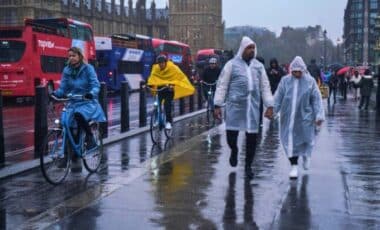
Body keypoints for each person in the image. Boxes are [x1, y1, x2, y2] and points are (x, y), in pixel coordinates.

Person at [213, 36, 274, 178]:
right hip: (235, 107)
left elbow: (265, 87)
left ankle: (248, 166)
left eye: (253, 48)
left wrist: (269, 105)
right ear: (243, 49)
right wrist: (217, 104)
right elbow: (222, 85)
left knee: (252, 138)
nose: (251, 50)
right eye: (249, 48)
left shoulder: (259, 66)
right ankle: (234, 150)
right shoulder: (231, 65)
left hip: (252, 108)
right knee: (231, 137)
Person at [52, 47, 107, 172]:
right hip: (73, 101)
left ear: (80, 56)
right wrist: (54, 93)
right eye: (69, 56)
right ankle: (67, 156)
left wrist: (91, 93)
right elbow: (63, 88)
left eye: (73, 55)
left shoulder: (88, 69)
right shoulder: (67, 70)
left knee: (78, 114)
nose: (71, 58)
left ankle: (90, 139)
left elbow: (95, 84)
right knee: (65, 123)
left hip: (87, 101)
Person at [273, 56, 325, 179]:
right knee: (289, 141)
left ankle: (307, 156)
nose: (296, 74)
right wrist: (273, 110)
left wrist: (319, 115)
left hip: (305, 117)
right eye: (294, 71)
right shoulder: (285, 81)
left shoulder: (310, 81)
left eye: (299, 71)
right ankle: (294, 166)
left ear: (303, 70)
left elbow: (316, 99)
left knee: (306, 139)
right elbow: (278, 97)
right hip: (288, 117)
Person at [147, 54, 195, 129]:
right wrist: (149, 85)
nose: (161, 65)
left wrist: (172, 85)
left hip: (169, 91)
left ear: (165, 62)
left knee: (167, 104)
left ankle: (168, 122)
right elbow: (152, 78)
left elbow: (178, 76)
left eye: (162, 63)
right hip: (160, 90)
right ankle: (156, 119)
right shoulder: (156, 69)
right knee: (157, 104)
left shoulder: (172, 67)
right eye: (159, 63)